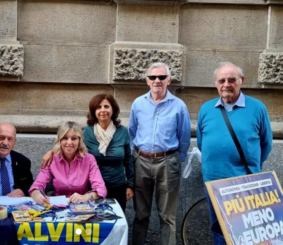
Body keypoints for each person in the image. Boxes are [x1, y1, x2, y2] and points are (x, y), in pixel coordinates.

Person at [197, 62, 272, 244]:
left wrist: (251, 167)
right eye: (222, 80)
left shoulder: (257, 108)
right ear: (215, 83)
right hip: (214, 182)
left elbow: (266, 143)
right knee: (219, 229)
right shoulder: (206, 109)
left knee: (246, 232)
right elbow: (201, 142)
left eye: (232, 79)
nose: (226, 84)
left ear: (241, 81)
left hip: (244, 182)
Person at [128, 62, 191, 245]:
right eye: (153, 77)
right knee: (140, 214)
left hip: (167, 162)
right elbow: (132, 131)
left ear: (169, 80)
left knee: (167, 216)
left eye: (162, 77)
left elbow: (184, 137)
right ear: (147, 81)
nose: (157, 81)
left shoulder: (179, 106)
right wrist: (135, 156)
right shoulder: (138, 103)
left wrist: (175, 160)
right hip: (141, 162)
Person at [31, 121, 107, 205]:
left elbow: (101, 188)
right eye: (65, 138)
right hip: (57, 206)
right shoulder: (51, 158)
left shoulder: (89, 159)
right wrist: (36, 194)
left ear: (79, 140)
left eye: (74, 138)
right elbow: (37, 185)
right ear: (59, 140)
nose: (69, 142)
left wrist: (85, 197)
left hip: (81, 206)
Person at [82, 94, 134, 211]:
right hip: (93, 189)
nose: (103, 110)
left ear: (113, 109)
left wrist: (130, 186)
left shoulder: (122, 131)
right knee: (95, 224)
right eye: (98, 107)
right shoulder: (87, 132)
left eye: (106, 106)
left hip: (118, 187)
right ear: (93, 111)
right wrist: (51, 152)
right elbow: (71, 149)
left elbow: (128, 160)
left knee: (116, 223)